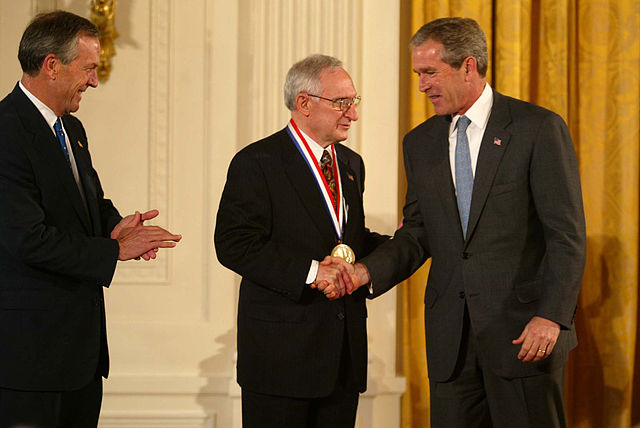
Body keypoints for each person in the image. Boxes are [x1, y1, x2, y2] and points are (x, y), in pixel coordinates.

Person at [330, 17, 586, 427]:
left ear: (468, 66)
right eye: (417, 74)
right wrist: (364, 272)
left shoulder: (536, 128)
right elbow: (417, 232)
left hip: (524, 334)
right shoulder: (420, 142)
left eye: (430, 73)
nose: (421, 86)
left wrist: (552, 315)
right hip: (452, 342)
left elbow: (566, 236)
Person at [0, 10, 182, 427]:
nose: (95, 81)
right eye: (88, 69)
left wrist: (117, 225)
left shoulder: (72, 129)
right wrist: (114, 250)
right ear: (51, 65)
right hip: (29, 361)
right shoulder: (6, 131)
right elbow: (27, 238)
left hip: (78, 356)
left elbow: (88, 203)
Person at [215, 54, 388, 427]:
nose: (352, 114)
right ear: (304, 103)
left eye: (353, 102)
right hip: (282, 362)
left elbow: (349, 241)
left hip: (343, 357)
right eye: (342, 102)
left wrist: (408, 238)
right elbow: (234, 243)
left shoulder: (351, 165)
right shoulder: (257, 161)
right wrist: (312, 272)